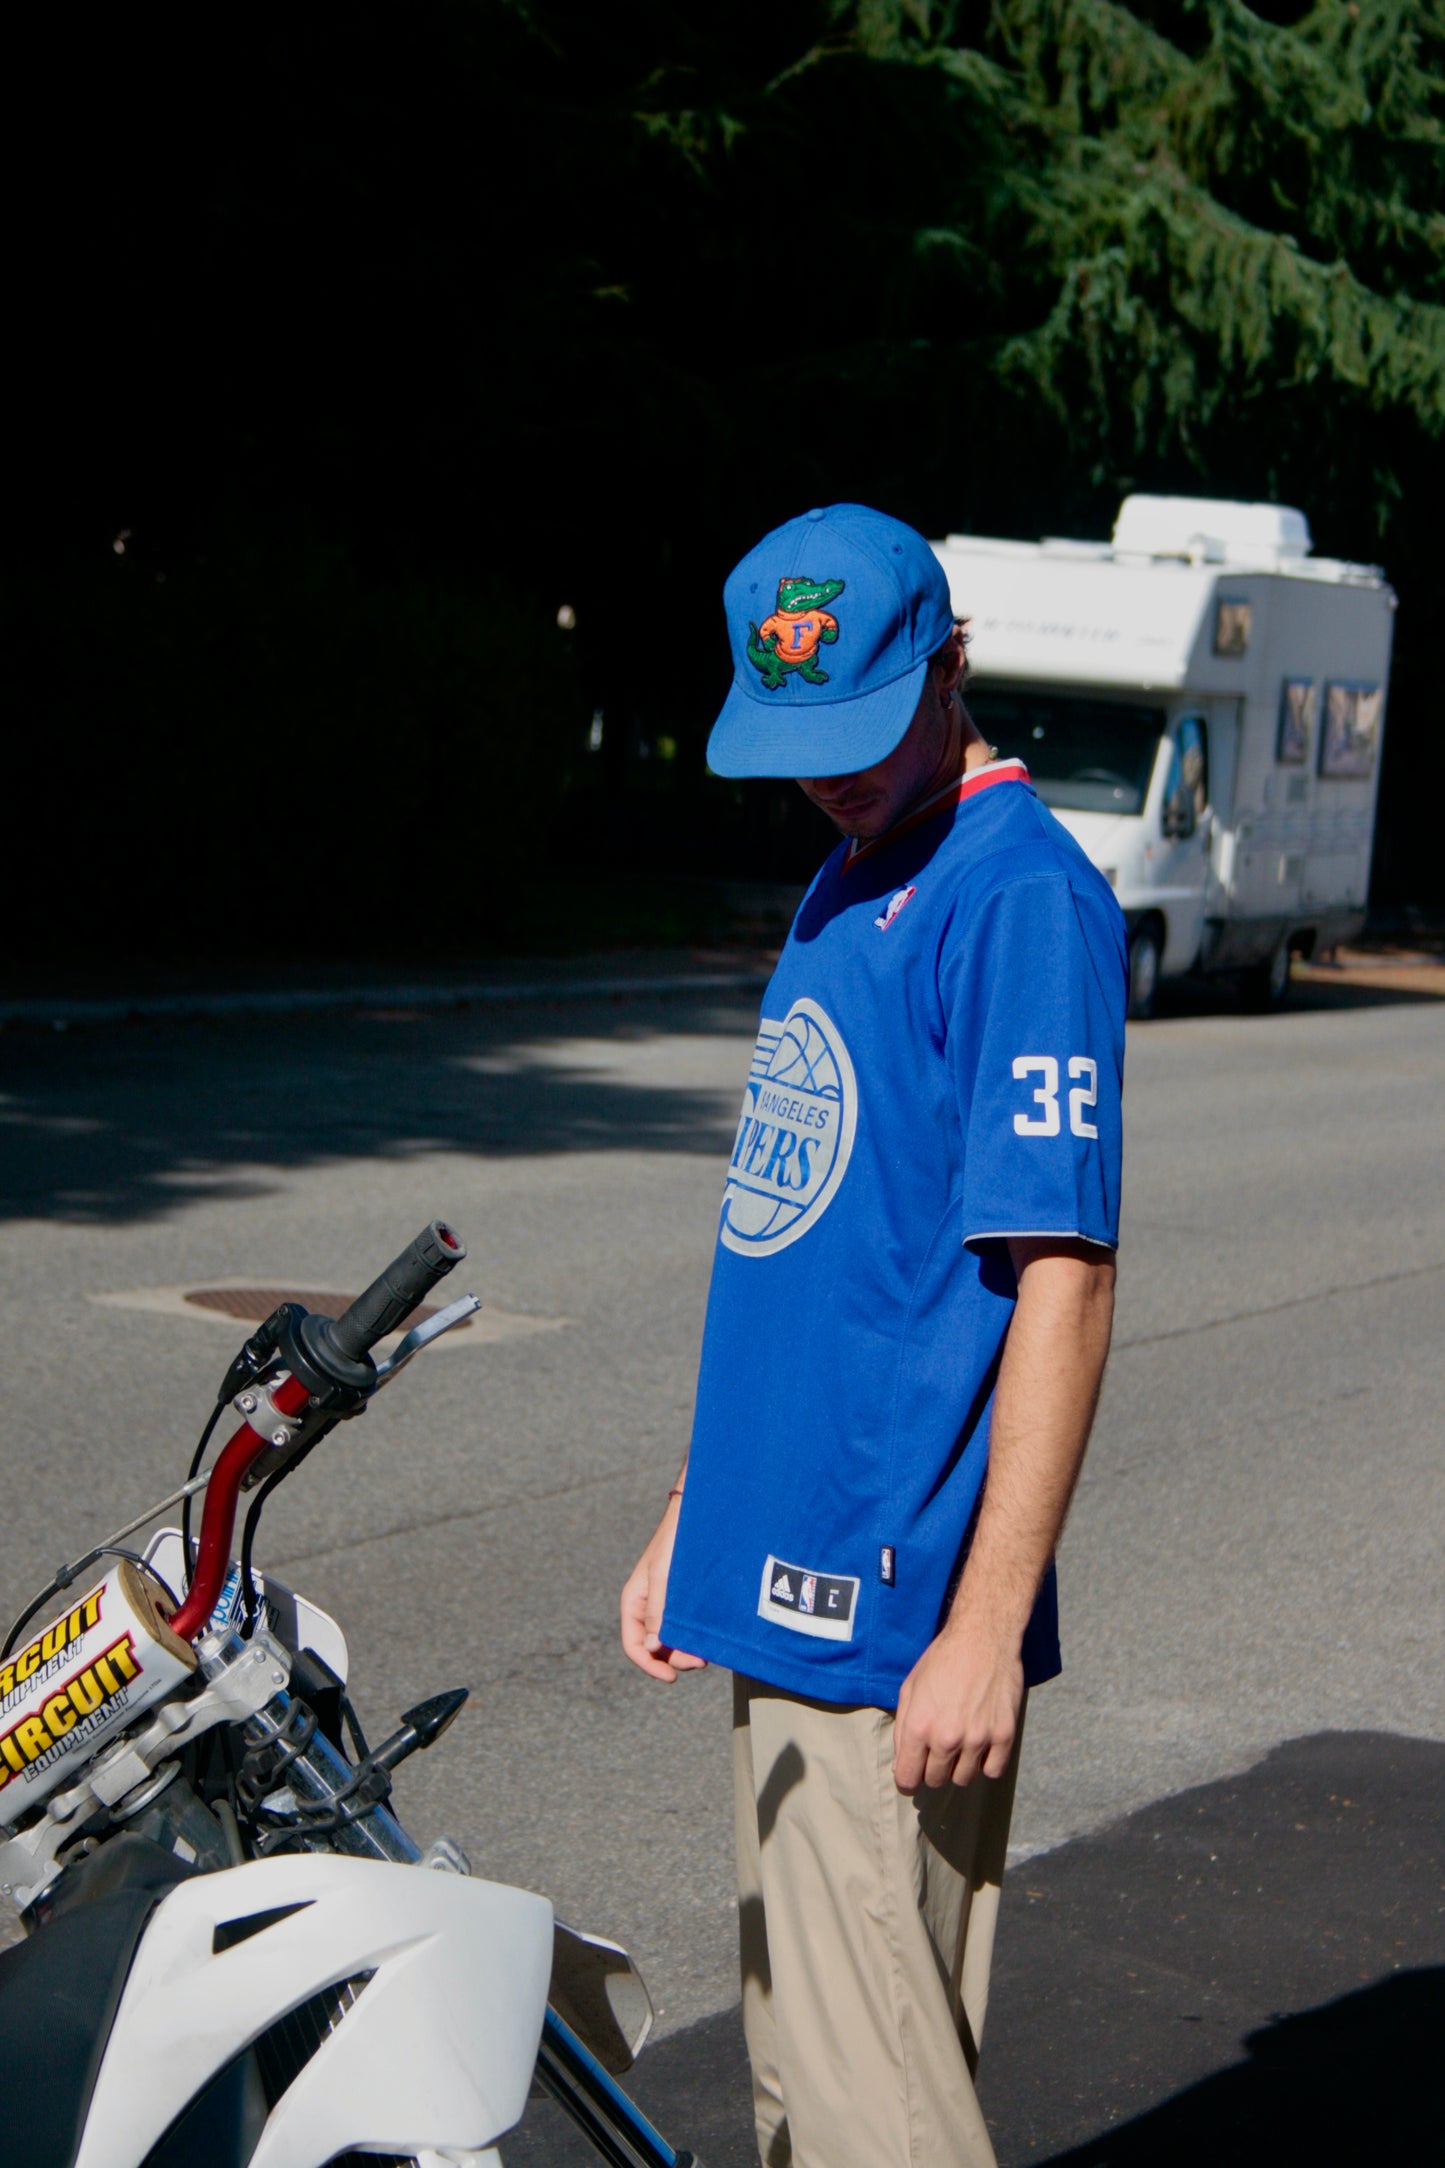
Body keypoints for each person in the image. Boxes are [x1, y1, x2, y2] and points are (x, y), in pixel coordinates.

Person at [621, 503, 1125, 2168]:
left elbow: (1061, 1275)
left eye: (861, 726)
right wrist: (704, 1506)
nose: (827, 773)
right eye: (798, 739)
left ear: (952, 664)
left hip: (888, 1611)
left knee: (873, 2129)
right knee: (799, 2107)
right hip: (775, 1568)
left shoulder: (1014, 898)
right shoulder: (851, 870)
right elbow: (811, 1241)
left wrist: (982, 1628)